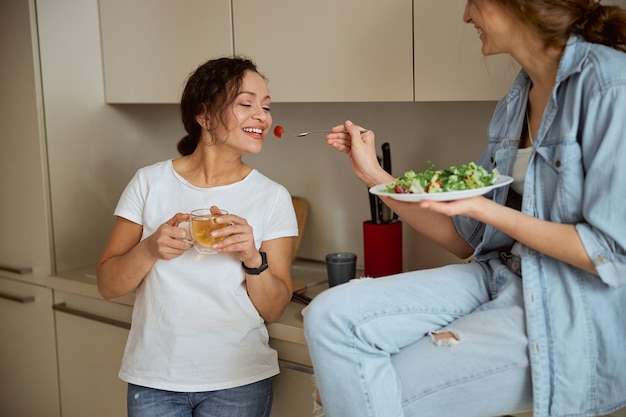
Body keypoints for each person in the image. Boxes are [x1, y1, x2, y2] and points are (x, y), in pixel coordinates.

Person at [303, 1, 626, 416]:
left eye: (474, 1)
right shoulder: (517, 98)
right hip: (501, 272)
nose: (466, 16)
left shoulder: (608, 83)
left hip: (571, 306)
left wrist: (484, 209)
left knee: (355, 392)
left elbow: (611, 253)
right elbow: (466, 239)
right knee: (328, 315)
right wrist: (376, 177)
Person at [96, 56, 298, 417]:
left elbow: (275, 306)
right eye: (246, 104)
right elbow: (108, 284)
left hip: (239, 379)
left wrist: (252, 258)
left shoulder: (273, 197)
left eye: (266, 107)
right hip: (155, 377)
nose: (262, 116)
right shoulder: (149, 183)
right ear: (203, 116)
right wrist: (150, 249)